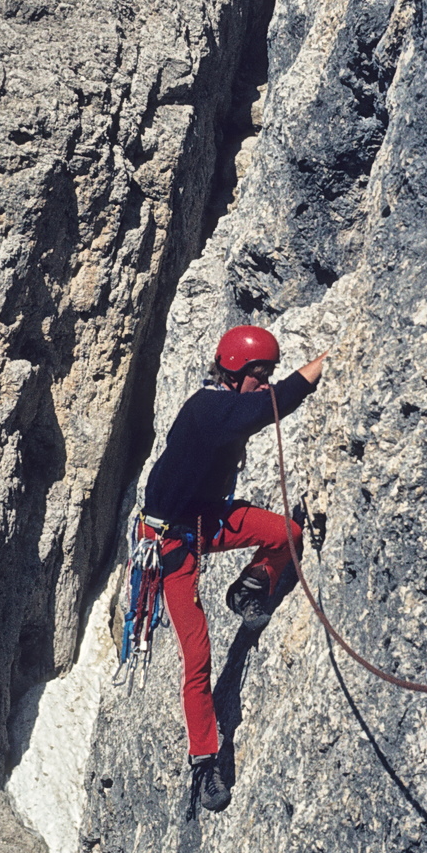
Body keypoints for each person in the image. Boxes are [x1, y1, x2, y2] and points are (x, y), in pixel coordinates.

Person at [138, 325, 327, 811]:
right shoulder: (211, 410)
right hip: (169, 546)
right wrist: (324, 363)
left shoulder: (224, 404)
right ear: (234, 373)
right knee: (198, 657)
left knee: (287, 533)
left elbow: (264, 401)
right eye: (258, 374)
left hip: (204, 520)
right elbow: (273, 404)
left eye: (269, 374)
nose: (264, 383)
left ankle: (249, 588)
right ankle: (204, 765)